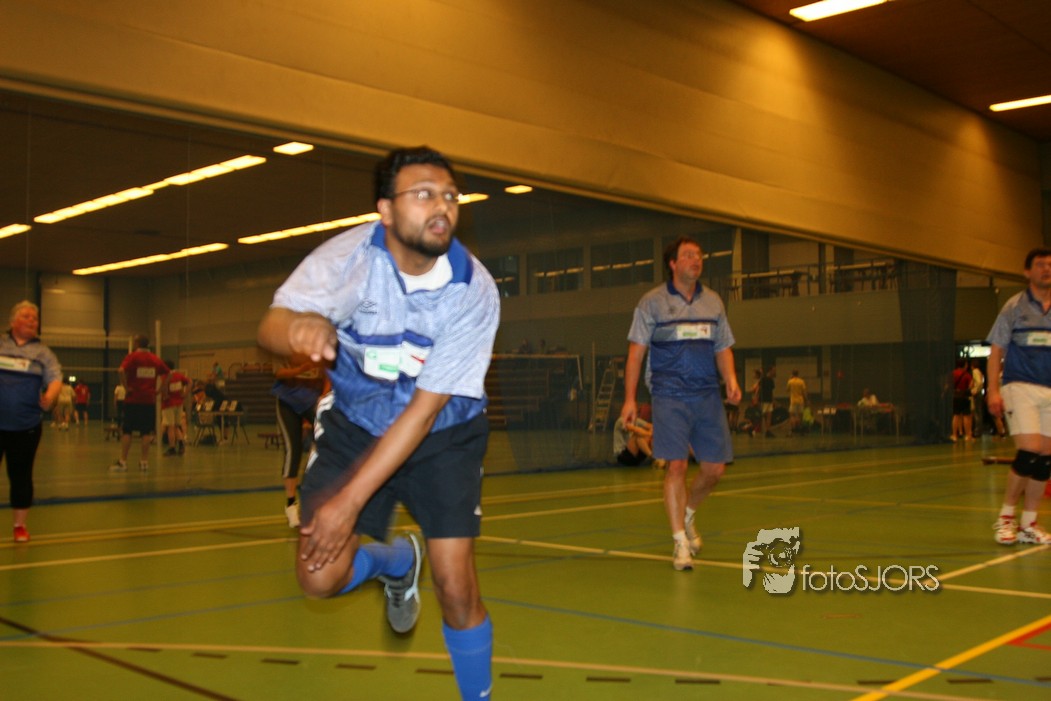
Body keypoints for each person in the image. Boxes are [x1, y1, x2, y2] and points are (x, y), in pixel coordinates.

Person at [257, 146, 500, 700]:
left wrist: (349, 503)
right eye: (423, 194)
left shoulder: (473, 289)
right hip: (356, 423)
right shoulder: (348, 262)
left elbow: (423, 412)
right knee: (318, 577)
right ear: (385, 211)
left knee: (456, 587)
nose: (442, 205)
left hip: (442, 433)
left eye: (450, 195)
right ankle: (395, 561)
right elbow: (271, 322)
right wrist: (294, 329)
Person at [619, 236, 741, 571]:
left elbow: (723, 346)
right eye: (688, 255)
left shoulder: (713, 302)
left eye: (698, 255)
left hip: (707, 394)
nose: (696, 260)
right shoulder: (652, 303)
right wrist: (630, 399)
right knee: (676, 466)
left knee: (714, 469)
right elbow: (635, 354)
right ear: (672, 263)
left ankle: (687, 515)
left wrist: (730, 379)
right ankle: (679, 543)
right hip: (668, 393)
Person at [985, 247, 1051, 545]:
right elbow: (996, 350)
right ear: (1027, 272)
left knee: (1046, 459)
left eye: (1050, 265)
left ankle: (1029, 524)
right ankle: (1005, 518)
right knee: (1029, 450)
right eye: (1040, 264)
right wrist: (993, 390)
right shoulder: (1014, 306)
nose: (1047, 269)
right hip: (1020, 386)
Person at [0, 301, 62, 542]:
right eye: (26, 316)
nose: (31, 321)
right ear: (12, 321)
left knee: (21, 476)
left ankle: (19, 526)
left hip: (26, 426)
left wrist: (50, 396)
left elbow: (55, 377)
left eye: (34, 318)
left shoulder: (43, 353)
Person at [272, 353, 326, 528]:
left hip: (311, 400)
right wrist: (299, 370)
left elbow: (328, 375)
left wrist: (324, 395)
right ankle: (290, 504)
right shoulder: (284, 349)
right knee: (293, 449)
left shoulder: (320, 351)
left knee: (326, 438)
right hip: (287, 401)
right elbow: (279, 373)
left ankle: (314, 493)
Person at [112, 335, 169, 472]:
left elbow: (121, 370)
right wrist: (160, 390)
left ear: (137, 343)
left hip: (133, 400)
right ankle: (144, 462)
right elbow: (168, 373)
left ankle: (123, 461)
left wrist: (126, 387)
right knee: (146, 432)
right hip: (148, 401)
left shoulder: (132, 357)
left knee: (127, 430)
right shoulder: (155, 359)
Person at [161, 362, 191, 456]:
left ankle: (172, 447)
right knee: (176, 426)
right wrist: (185, 394)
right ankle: (181, 444)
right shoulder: (179, 376)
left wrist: (165, 395)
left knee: (170, 426)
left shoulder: (165, 377)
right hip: (179, 404)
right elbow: (190, 382)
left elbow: (164, 388)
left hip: (168, 404)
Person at [613, 402, 655, 466]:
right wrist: (650, 433)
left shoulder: (636, 420)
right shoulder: (621, 421)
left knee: (650, 436)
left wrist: (652, 432)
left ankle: (658, 457)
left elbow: (651, 426)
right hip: (623, 456)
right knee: (637, 435)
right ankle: (653, 457)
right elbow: (635, 430)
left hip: (635, 456)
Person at [950, 358, 973, 442]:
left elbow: (949, 384)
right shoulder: (967, 375)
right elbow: (971, 385)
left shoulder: (953, 373)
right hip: (964, 397)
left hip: (955, 396)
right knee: (966, 416)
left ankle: (954, 435)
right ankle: (968, 435)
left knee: (956, 415)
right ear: (964, 365)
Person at [970, 358, 985, 437]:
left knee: (976, 412)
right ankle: (979, 429)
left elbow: (979, 382)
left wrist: (974, 390)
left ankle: (977, 430)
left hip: (977, 394)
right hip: (979, 393)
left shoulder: (975, 371)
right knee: (979, 412)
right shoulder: (979, 371)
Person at [759, 366, 776, 437]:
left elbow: (771, 392)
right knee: (763, 415)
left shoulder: (771, 380)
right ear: (770, 371)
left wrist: (773, 400)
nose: (774, 372)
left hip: (769, 400)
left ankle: (768, 430)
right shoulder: (763, 379)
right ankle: (759, 429)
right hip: (764, 400)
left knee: (769, 415)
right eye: (773, 370)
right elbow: (759, 389)